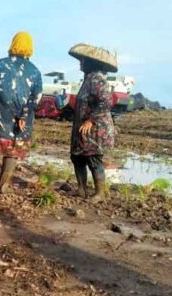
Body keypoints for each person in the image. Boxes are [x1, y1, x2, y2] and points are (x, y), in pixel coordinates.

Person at [0, 31, 42, 193]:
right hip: (22, 121)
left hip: (0, 115)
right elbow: (37, 98)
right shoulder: (35, 71)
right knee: (12, 152)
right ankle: (4, 185)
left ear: (13, 44)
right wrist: (24, 114)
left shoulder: (1, 64)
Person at [68, 43, 117, 202]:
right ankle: (81, 189)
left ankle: (99, 193)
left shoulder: (97, 78)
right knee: (78, 158)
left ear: (91, 63)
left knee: (94, 159)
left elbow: (106, 102)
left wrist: (91, 120)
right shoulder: (89, 78)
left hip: (95, 129)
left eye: (83, 60)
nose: (80, 63)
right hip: (83, 129)